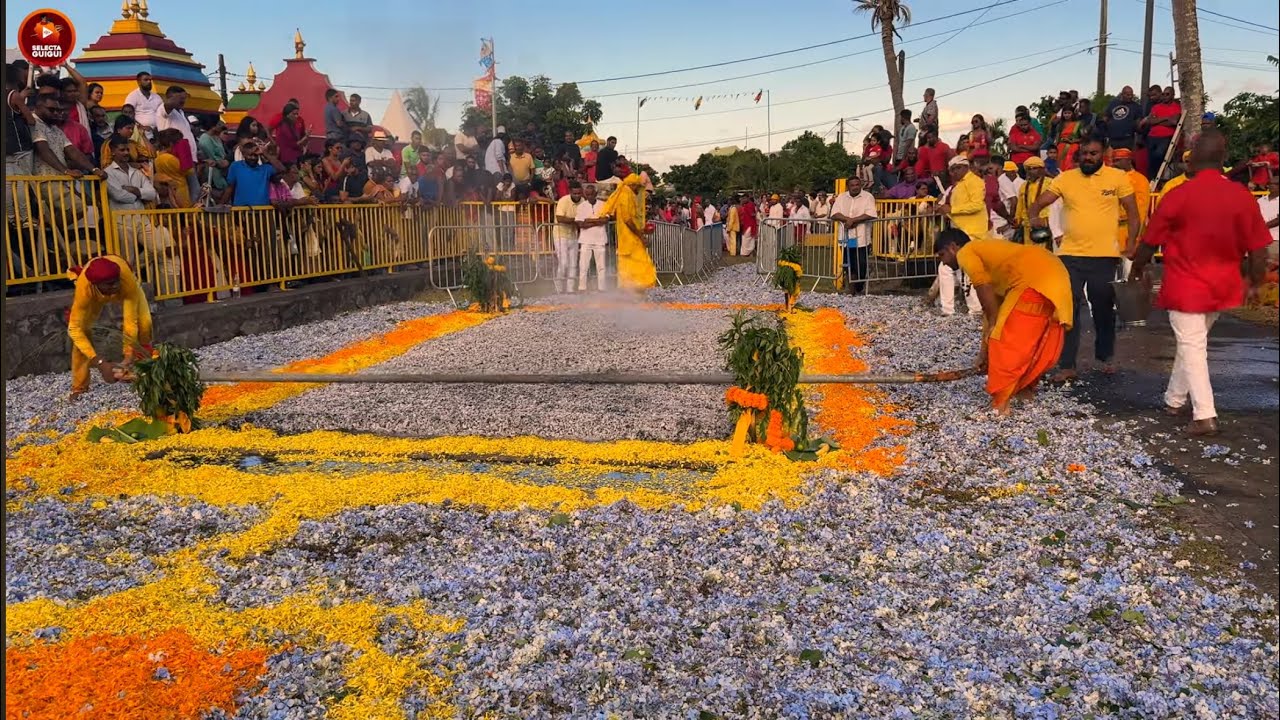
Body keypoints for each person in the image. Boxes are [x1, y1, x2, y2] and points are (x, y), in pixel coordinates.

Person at [1128, 132, 1272, 436]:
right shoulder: (1241, 196)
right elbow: (1258, 247)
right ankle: (1174, 399)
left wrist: (1136, 269)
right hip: (1223, 287)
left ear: (1192, 157)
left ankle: (1205, 414)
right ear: (1223, 159)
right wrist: (1255, 282)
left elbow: (1149, 242)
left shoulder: (1178, 195)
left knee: (1192, 346)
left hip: (1186, 287)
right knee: (1191, 343)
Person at [1029, 137, 1141, 381]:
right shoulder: (1065, 178)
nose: (1088, 157)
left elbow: (1133, 212)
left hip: (1105, 256)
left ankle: (1105, 357)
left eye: (1093, 153)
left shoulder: (1117, 178)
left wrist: (1132, 243)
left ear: (1103, 154)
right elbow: (1041, 202)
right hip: (1070, 254)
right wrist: (1034, 214)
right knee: (1068, 310)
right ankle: (1067, 365)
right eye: (1084, 153)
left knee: (1102, 308)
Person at [935, 228, 1073, 413]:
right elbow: (990, 311)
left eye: (942, 255)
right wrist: (983, 354)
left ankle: (1001, 403)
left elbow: (983, 289)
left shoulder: (967, 251)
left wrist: (994, 328)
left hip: (1033, 279)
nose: (943, 262)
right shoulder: (993, 259)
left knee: (1005, 342)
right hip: (1054, 274)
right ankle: (1024, 391)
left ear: (953, 247)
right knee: (1035, 342)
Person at [66, 256, 152, 400]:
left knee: (145, 324)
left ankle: (141, 372)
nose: (114, 287)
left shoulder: (126, 280)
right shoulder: (85, 288)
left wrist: (127, 357)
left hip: (129, 290)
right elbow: (73, 329)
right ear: (95, 284)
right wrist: (100, 363)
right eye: (109, 284)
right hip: (94, 295)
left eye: (116, 282)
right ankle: (79, 386)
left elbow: (130, 322)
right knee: (83, 332)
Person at [596, 171, 656, 292]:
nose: (640, 191)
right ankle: (633, 292)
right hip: (629, 238)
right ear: (634, 185)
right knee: (641, 264)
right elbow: (627, 219)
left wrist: (642, 230)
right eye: (639, 187)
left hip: (630, 238)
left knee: (631, 266)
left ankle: (632, 294)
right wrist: (641, 236)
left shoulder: (628, 193)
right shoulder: (625, 194)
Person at [830, 175, 877, 295]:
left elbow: (870, 214)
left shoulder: (868, 197)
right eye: (852, 185)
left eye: (857, 185)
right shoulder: (841, 197)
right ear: (848, 186)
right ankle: (851, 291)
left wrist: (854, 220)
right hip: (846, 237)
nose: (855, 187)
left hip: (861, 238)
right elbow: (834, 214)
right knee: (848, 264)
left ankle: (859, 286)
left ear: (860, 185)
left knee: (861, 264)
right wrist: (847, 220)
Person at [1112, 148, 1150, 279]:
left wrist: (1134, 240)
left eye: (1118, 161)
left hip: (1128, 232)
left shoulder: (1140, 180)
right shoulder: (1111, 178)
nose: (1114, 164)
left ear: (1128, 160)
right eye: (1113, 161)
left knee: (1126, 277)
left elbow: (1140, 210)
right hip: (1109, 233)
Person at [222, 138, 286, 206]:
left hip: (263, 212)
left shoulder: (266, 168)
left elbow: (282, 169)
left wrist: (265, 153)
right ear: (244, 155)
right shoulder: (236, 166)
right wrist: (222, 204)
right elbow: (230, 188)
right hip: (241, 211)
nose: (253, 158)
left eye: (255, 155)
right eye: (250, 155)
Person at [1014, 157, 1062, 247]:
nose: (1030, 171)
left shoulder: (1051, 184)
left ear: (1042, 169)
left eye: (1034, 168)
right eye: (1028, 169)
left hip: (1044, 225)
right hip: (1028, 226)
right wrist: (1018, 218)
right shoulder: (1024, 186)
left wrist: (1047, 221)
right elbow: (1020, 205)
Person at [1141, 86, 1180, 180]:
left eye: (1167, 94)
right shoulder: (1156, 107)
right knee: (1150, 159)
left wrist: (1157, 120)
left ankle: (1157, 177)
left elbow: (1174, 122)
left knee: (1159, 155)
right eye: (1163, 94)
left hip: (1166, 136)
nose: (1165, 96)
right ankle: (1151, 179)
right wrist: (1166, 118)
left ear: (1173, 95)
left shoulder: (1177, 107)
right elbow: (1150, 121)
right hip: (1152, 136)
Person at [576, 183, 609, 291]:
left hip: (600, 240)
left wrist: (589, 220)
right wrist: (597, 220)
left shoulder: (603, 204)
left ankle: (602, 289)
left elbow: (605, 220)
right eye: (587, 194)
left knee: (601, 267)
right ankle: (582, 288)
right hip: (585, 240)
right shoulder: (581, 206)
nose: (589, 196)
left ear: (596, 194)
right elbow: (581, 224)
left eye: (591, 194)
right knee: (583, 267)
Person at [553, 180, 583, 292]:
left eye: (579, 193)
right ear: (570, 192)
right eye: (575, 193)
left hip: (573, 235)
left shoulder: (583, 201)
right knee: (564, 262)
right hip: (560, 235)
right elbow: (560, 218)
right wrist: (576, 221)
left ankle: (570, 289)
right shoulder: (563, 201)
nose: (577, 195)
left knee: (573, 263)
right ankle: (559, 287)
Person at [1102, 86, 1142, 151]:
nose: (1130, 97)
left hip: (1127, 139)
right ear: (1122, 94)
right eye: (1128, 95)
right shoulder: (1113, 103)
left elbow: (1138, 122)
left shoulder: (1136, 106)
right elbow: (1105, 117)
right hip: (1112, 138)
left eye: (1131, 94)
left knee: (1125, 158)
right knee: (1111, 159)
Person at [1053, 105, 1085, 172]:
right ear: (1062, 114)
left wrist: (1073, 141)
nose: (1067, 115)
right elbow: (1057, 138)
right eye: (1065, 113)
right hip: (1061, 147)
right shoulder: (1060, 125)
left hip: (1073, 147)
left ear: (1072, 114)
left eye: (1069, 113)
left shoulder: (1078, 124)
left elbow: (1084, 138)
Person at [1260, 177, 1279, 264]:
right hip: (1260, 239)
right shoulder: (1260, 200)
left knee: (1273, 267)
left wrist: (1261, 227)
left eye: (1274, 184)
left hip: (1275, 239)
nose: (1270, 186)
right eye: (1270, 183)